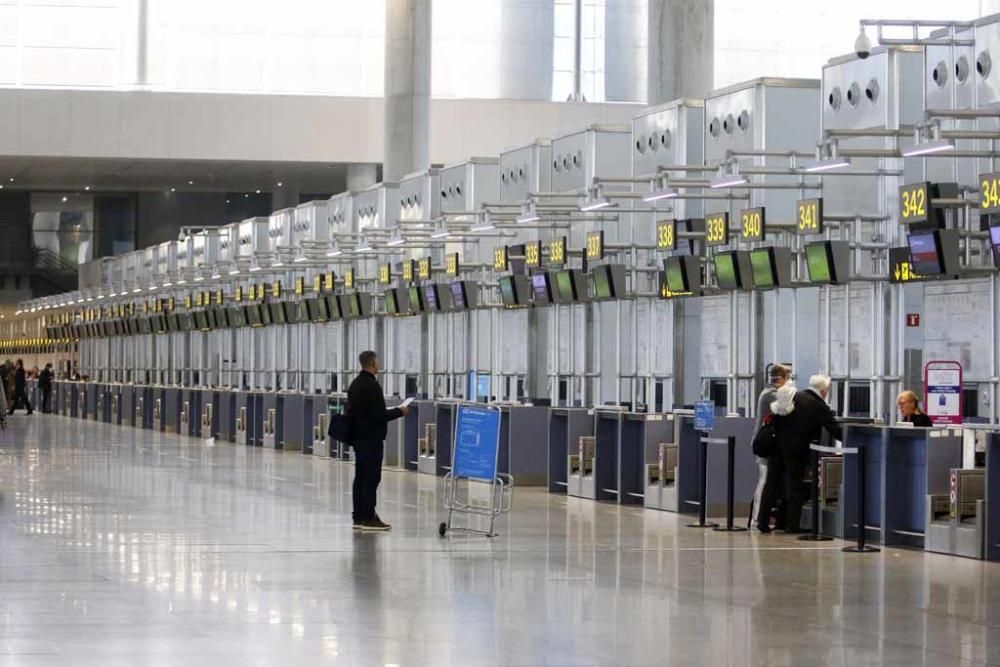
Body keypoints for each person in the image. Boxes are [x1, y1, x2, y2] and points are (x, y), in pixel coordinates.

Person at [758, 374, 841, 533]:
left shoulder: (793, 396)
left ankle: (763, 521)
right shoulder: (818, 405)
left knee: (772, 483)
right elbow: (835, 430)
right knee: (794, 486)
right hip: (796, 450)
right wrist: (853, 440)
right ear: (824, 390)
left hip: (776, 446)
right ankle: (792, 525)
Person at [347, 350, 409, 531]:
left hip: (359, 438)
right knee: (371, 478)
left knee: (360, 478)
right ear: (373, 364)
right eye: (378, 362)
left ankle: (358, 516)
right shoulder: (372, 386)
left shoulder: (356, 384)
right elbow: (378, 415)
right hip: (371, 439)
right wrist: (400, 411)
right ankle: (369, 517)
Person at [751, 363, 792, 531]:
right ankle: (757, 517)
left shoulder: (765, 392)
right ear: (781, 379)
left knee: (765, 480)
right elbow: (787, 408)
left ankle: (759, 516)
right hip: (766, 444)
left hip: (764, 443)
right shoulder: (771, 394)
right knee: (764, 481)